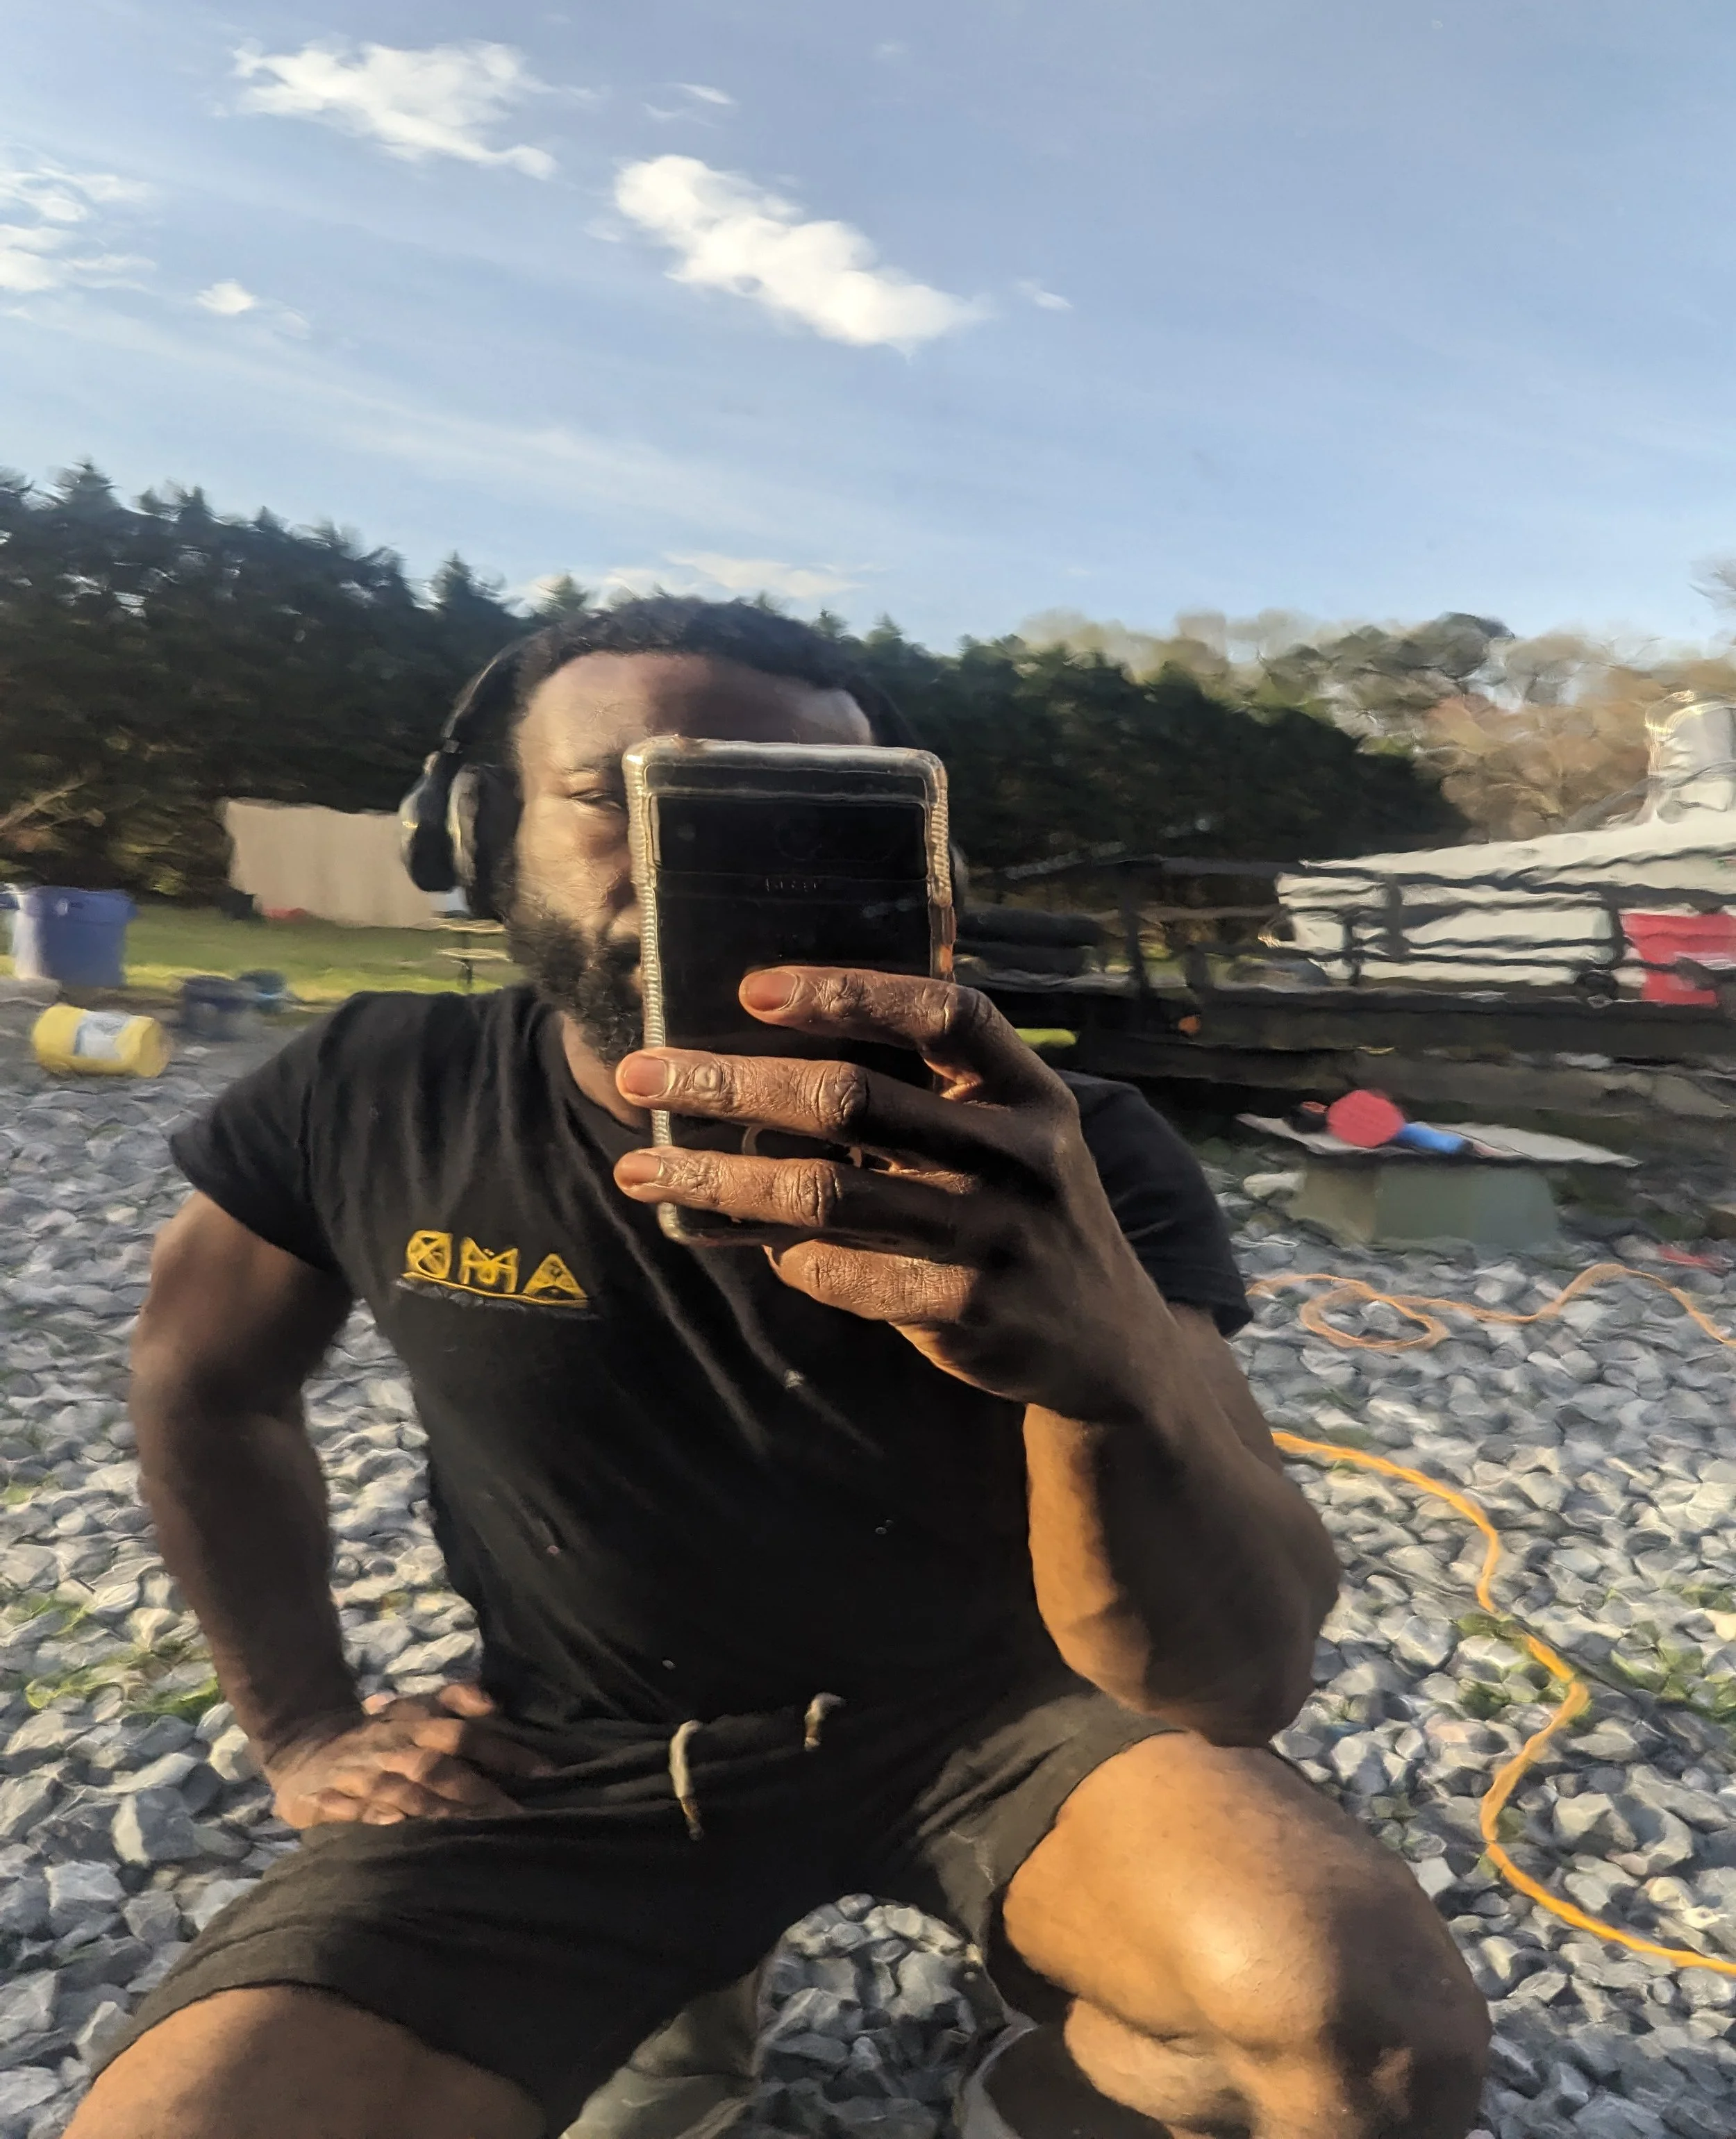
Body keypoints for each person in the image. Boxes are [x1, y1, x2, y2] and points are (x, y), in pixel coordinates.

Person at [72, 599, 1488, 2139]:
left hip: (1001, 1716)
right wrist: (302, 1726)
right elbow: (201, 1383)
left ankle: (1027, 2089)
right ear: (478, 837)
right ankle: (664, 1987)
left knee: (1369, 2040)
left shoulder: (1064, 1154)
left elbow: (1237, 1679)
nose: (697, 864)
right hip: (577, 1745)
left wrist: (1108, 1360)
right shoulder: (368, 1087)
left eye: (799, 817)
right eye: (623, 797)